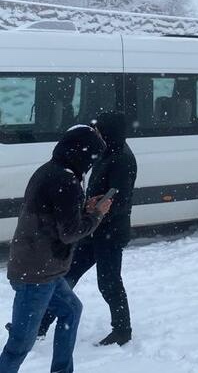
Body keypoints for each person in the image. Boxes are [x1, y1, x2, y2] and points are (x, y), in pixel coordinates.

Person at [0, 125, 111, 373]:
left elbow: (55, 218)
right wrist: (96, 215)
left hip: (39, 266)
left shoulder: (51, 170)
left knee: (71, 311)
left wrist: (85, 210)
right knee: (20, 343)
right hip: (37, 273)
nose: (92, 165)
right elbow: (70, 233)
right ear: (82, 155)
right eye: (92, 158)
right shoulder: (67, 181)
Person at [39, 112, 137, 347]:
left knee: (109, 281)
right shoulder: (108, 150)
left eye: (100, 130)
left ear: (110, 132)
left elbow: (120, 202)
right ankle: (40, 325)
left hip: (110, 232)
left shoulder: (122, 159)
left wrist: (94, 207)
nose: (96, 133)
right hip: (93, 228)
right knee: (66, 275)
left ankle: (122, 330)